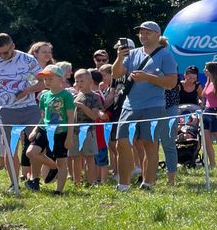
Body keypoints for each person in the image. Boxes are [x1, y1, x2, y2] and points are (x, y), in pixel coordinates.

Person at [112, 21, 178, 192]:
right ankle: (123, 184)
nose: (143, 36)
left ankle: (148, 183)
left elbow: (171, 82)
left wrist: (148, 77)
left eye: (147, 33)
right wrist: (119, 57)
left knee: (149, 143)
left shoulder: (165, 56)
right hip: (129, 105)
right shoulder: (132, 54)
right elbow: (116, 73)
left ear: (157, 35)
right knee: (121, 143)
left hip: (154, 105)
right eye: (141, 33)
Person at [0, 33, 43, 188]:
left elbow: (42, 83)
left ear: (13, 46)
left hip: (30, 109)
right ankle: (14, 184)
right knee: (10, 147)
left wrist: (26, 91)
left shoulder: (28, 60)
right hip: (5, 110)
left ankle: (35, 180)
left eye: (5, 52)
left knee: (35, 145)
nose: (2, 56)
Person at [25, 65, 76, 193]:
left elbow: (71, 118)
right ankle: (53, 168)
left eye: (50, 78)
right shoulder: (44, 96)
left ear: (60, 79)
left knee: (62, 161)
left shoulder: (67, 95)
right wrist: (35, 130)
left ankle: (59, 191)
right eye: (45, 79)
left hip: (61, 132)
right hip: (44, 129)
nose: (47, 81)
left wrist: (69, 137)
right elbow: (42, 117)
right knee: (31, 152)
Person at [70, 68, 104, 185]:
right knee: (76, 157)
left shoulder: (94, 97)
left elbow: (94, 116)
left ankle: (91, 181)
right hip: (75, 132)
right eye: (77, 81)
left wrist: (82, 106)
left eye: (82, 81)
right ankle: (77, 182)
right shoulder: (75, 96)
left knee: (89, 157)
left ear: (90, 81)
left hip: (88, 132)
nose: (79, 84)